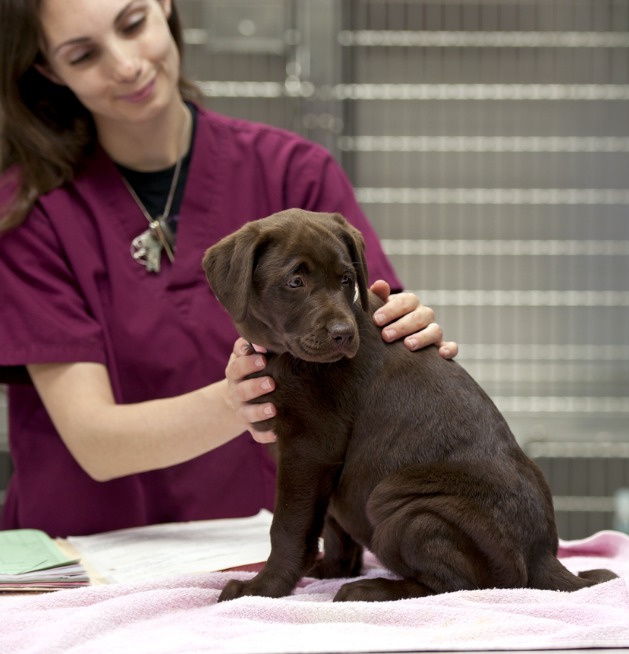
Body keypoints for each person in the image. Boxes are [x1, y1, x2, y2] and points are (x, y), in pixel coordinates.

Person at [0, 0, 457, 538]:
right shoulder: (29, 214)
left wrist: (406, 332)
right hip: (98, 554)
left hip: (268, 550)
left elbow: (365, 347)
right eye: (83, 55)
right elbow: (95, 442)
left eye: (132, 24)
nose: (125, 65)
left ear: (164, 6)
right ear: (48, 70)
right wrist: (238, 399)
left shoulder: (296, 175)